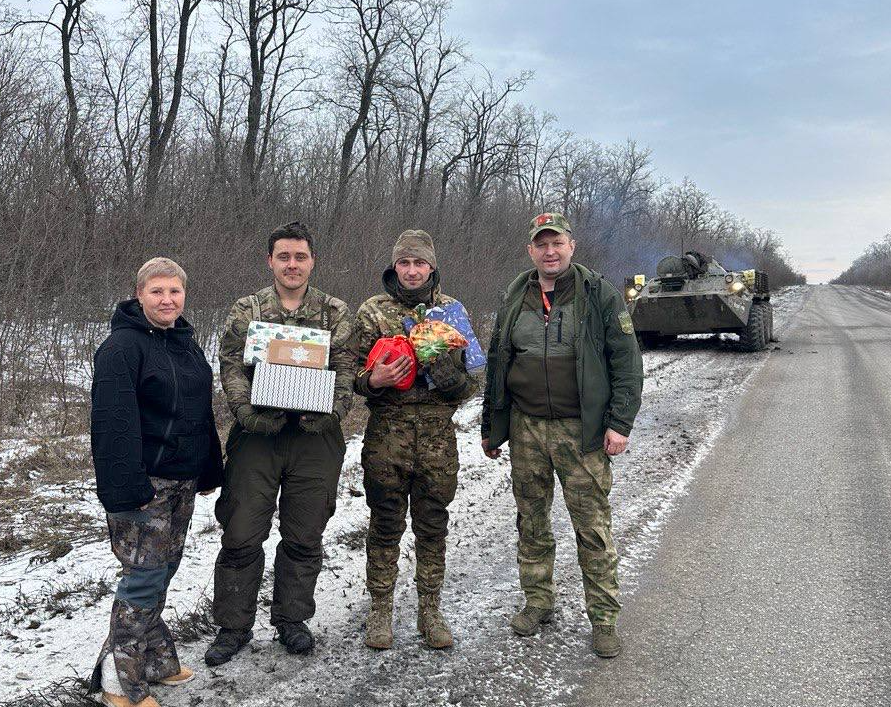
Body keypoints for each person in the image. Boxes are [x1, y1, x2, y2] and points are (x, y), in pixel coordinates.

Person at [481, 212, 643, 659]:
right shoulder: (517, 293)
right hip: (527, 427)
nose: (550, 252)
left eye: (557, 244)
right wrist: (492, 427)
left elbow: (627, 363)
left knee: (592, 527)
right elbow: (499, 360)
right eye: (541, 244)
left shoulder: (600, 295)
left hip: (582, 430)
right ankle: (538, 601)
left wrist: (620, 422)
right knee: (531, 523)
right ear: (531, 250)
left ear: (572, 246)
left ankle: (604, 618)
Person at [205, 221, 356, 665]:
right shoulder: (247, 308)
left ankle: (292, 620)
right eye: (284, 257)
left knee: (305, 533)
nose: (292, 265)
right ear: (270, 260)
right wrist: (246, 412)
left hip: (315, 437)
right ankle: (233, 626)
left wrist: (331, 410)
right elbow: (230, 363)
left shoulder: (333, 312)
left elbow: (347, 368)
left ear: (312, 261)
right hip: (258, 436)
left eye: (301, 257)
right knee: (241, 531)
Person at [89, 258, 224, 707]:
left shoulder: (185, 343)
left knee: (161, 573)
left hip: (182, 480)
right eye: (157, 292)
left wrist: (208, 468)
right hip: (143, 484)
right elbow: (112, 424)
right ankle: (117, 680)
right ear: (139, 293)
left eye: (175, 292)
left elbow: (200, 412)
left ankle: (155, 660)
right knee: (143, 578)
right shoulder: (122, 348)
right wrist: (128, 488)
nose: (167, 300)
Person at [353, 230, 477, 650]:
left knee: (433, 524)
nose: (411, 271)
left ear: (431, 267)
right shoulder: (372, 311)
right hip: (388, 433)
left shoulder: (452, 312)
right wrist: (373, 380)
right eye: (404, 263)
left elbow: (471, 384)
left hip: (438, 437)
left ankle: (430, 610)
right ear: (394, 266)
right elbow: (349, 374)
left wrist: (448, 375)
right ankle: (380, 610)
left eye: (419, 263)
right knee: (385, 524)